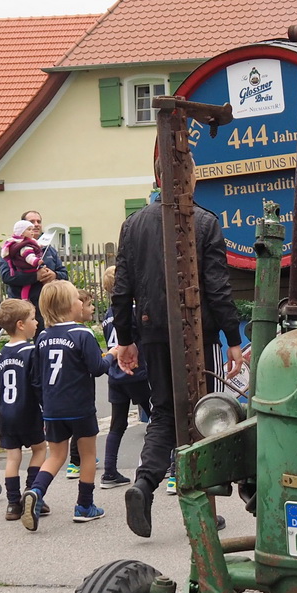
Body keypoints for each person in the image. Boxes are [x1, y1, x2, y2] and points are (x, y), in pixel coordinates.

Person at [111, 180, 246, 538]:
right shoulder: (203, 221)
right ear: (191, 179)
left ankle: (144, 483)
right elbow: (216, 286)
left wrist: (125, 339)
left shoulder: (134, 223)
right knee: (205, 412)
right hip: (197, 333)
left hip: (151, 328)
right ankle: (202, 508)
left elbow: (122, 287)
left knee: (165, 410)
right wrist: (233, 337)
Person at [22, 281, 110, 529]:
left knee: (57, 455)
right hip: (79, 407)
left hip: (52, 408)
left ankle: (36, 491)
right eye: (78, 299)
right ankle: (84, 505)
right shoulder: (83, 334)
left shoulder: (42, 337)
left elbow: (36, 377)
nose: (82, 303)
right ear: (70, 306)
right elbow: (98, 367)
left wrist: (44, 403)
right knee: (88, 454)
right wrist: (111, 356)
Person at [0, 298, 48, 521]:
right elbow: (37, 384)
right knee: (40, 449)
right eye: (32, 319)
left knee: (12, 458)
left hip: (7, 412)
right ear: (20, 325)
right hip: (29, 411)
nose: (36, 323)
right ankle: (32, 494)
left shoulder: (1, 354)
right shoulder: (31, 352)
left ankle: (12, 504)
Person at [99, 265, 148, 488]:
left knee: (117, 425)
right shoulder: (133, 311)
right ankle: (164, 463)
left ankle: (109, 471)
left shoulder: (108, 316)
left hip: (114, 376)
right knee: (158, 418)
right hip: (135, 371)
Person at [2, 209, 68, 298]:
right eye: (32, 222)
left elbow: (64, 273)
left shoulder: (48, 249)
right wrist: (35, 276)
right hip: (22, 304)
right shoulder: (11, 248)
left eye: (39, 221)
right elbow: (7, 276)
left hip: (49, 303)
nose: (36, 224)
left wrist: (54, 275)